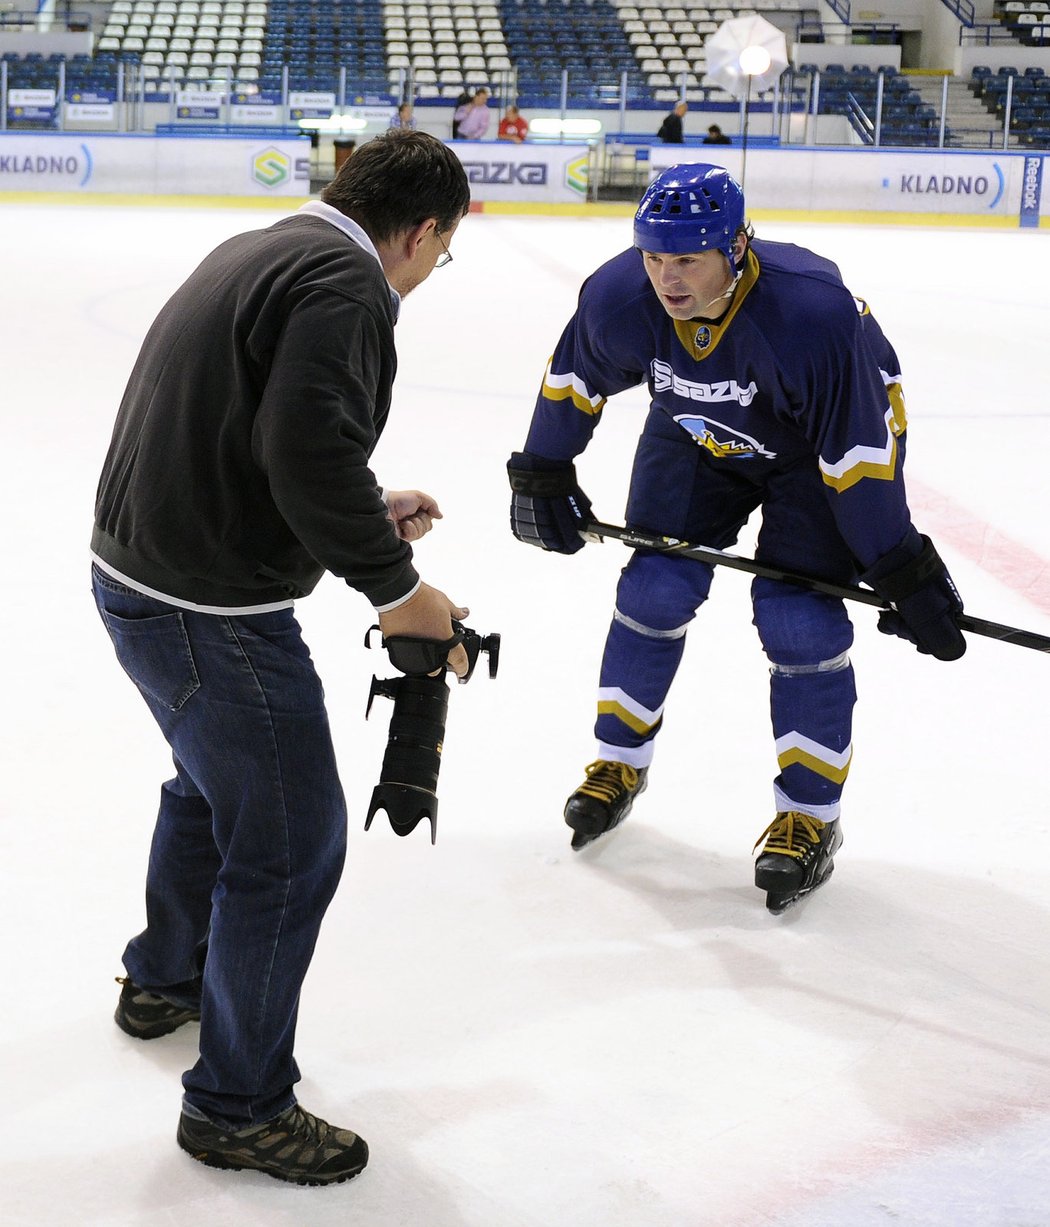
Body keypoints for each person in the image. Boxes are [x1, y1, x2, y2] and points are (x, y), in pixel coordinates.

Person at [91, 130, 472, 1185]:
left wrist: (360, 508)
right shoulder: (349, 286)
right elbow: (301, 446)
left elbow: (268, 435)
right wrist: (400, 593)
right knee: (293, 843)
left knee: (212, 787)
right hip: (206, 607)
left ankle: (166, 978)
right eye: (444, 252)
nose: (435, 271)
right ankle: (238, 1106)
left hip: (141, 576)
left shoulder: (266, 245)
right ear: (424, 230)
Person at [507, 163, 965, 914]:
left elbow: (857, 459)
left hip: (817, 447)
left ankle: (808, 816)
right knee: (653, 588)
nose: (666, 277)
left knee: (798, 617)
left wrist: (899, 563)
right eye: (654, 256)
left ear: (737, 247)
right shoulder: (620, 295)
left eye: (687, 258)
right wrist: (542, 470)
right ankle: (617, 762)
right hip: (695, 432)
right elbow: (572, 379)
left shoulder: (811, 316)